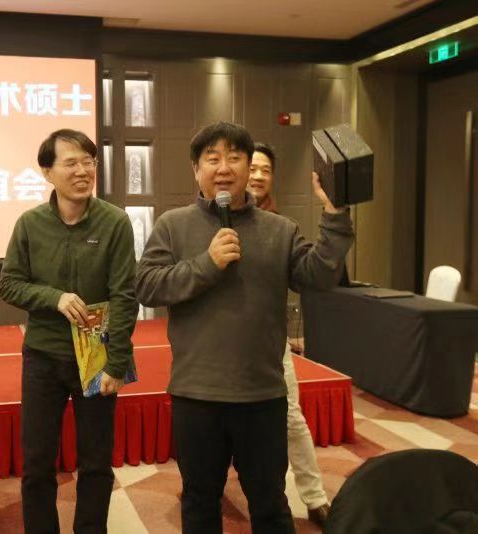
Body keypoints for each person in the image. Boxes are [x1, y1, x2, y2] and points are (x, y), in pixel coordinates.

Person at [136, 122, 353, 534]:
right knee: (200, 501)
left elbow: (319, 277)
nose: (224, 167)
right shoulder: (172, 225)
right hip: (196, 395)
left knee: (270, 504)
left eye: (235, 158)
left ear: (248, 167)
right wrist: (207, 264)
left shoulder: (280, 230)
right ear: (196, 170)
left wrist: (335, 215)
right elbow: (147, 286)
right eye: (212, 159)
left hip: (262, 395)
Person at [0, 129, 138, 533]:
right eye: (71, 163)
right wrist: (54, 298)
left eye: (88, 162)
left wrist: (116, 362)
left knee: (96, 461)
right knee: (37, 462)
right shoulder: (30, 224)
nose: (82, 171)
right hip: (42, 356)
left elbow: (125, 296)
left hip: (96, 355)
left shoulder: (114, 222)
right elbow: (9, 284)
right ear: (47, 172)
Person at [249, 142, 331, 526]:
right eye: (252, 167)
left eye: (265, 170)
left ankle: (314, 498)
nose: (258, 176)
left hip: (270, 340)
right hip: (219, 344)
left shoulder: (280, 226)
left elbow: (312, 274)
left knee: (291, 418)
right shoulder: (210, 220)